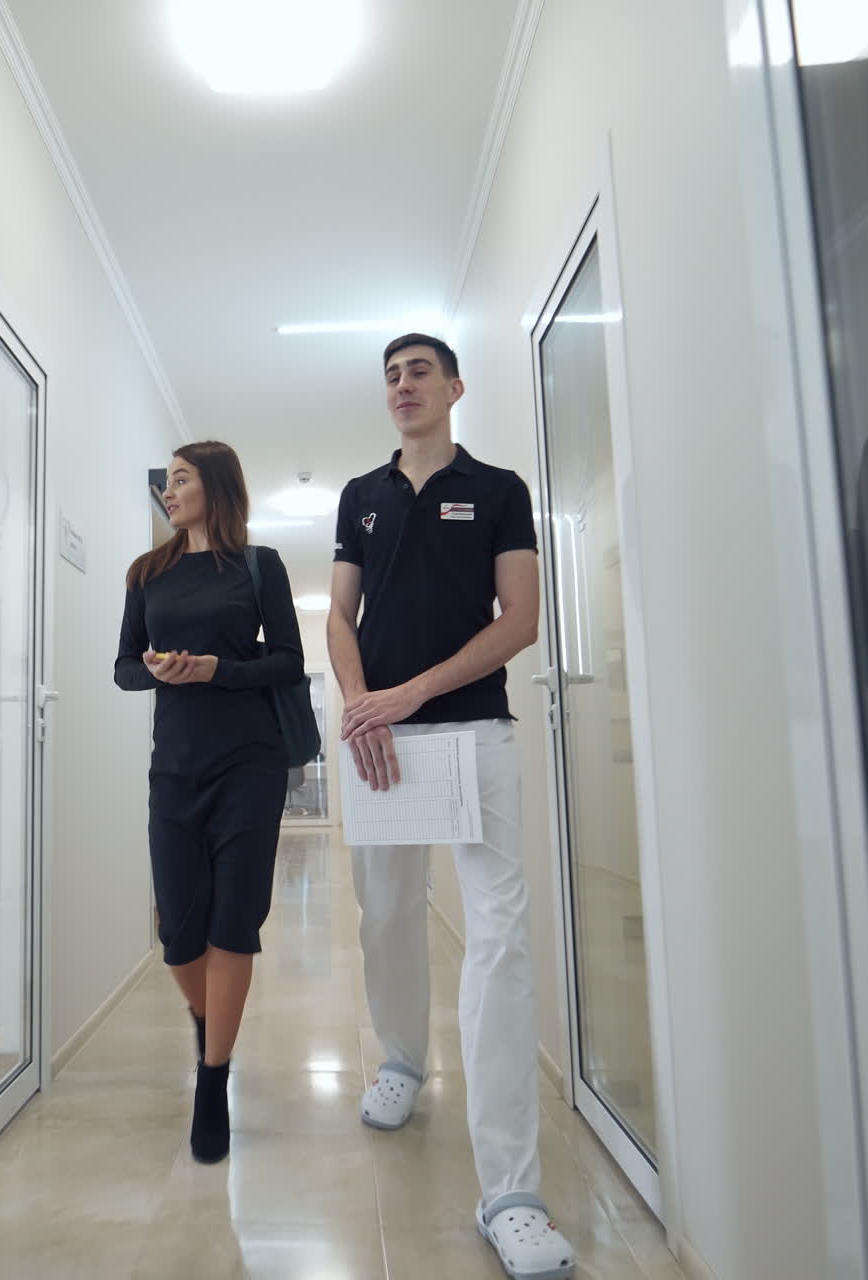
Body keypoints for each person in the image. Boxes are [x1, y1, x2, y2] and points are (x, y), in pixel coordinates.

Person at [327, 334, 575, 1278]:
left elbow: (521, 620)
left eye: (419, 370)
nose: (402, 384)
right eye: (391, 374)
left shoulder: (500, 489)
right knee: (387, 914)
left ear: (454, 387)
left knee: (500, 939)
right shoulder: (361, 495)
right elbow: (339, 616)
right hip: (379, 741)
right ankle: (401, 1059)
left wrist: (413, 693)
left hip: (473, 735)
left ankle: (511, 1194)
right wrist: (364, 705)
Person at [114, 440, 304, 1164]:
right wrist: (159, 669)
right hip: (175, 767)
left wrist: (218, 668)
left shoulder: (259, 565)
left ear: (215, 486)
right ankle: (208, 1023)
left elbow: (288, 660)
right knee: (178, 932)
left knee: (233, 924)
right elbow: (124, 668)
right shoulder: (147, 573)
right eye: (167, 482)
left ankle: (213, 1082)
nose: (169, 491)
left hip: (250, 763)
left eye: (181, 479)